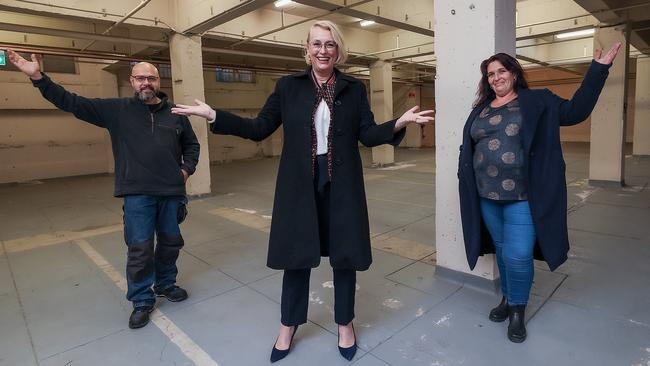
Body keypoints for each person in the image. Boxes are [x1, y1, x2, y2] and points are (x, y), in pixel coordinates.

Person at [171, 20, 433, 362]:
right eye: (317, 44)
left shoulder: (353, 89)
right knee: (296, 257)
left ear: (338, 50)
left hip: (342, 185)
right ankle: (288, 325)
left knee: (345, 256)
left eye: (330, 44)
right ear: (306, 50)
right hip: (300, 185)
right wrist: (214, 115)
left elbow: (367, 135)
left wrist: (398, 123)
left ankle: (345, 324)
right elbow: (259, 128)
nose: (323, 50)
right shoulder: (288, 87)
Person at [6, 50, 200, 330]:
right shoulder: (116, 110)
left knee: (171, 243)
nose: (146, 83)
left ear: (159, 81)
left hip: (171, 192)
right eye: (140, 78)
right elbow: (72, 102)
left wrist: (185, 170)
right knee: (140, 248)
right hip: (137, 194)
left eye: (151, 78)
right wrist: (38, 77)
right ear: (132, 81)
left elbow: (192, 146)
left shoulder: (177, 114)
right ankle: (142, 300)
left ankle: (166, 284)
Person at [458, 42, 621, 343]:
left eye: (501, 71)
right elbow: (470, 146)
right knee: (504, 252)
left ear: (515, 73)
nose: (496, 77)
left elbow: (576, 111)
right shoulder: (480, 110)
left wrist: (598, 69)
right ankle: (507, 299)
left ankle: (518, 309)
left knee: (519, 255)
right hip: (486, 197)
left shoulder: (538, 101)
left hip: (523, 196)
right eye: (490, 74)